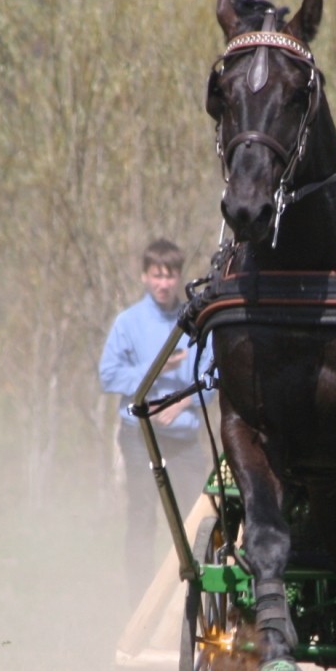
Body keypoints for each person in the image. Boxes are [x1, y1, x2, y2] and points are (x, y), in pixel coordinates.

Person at [99, 239, 213, 600]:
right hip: (139, 436)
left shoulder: (194, 323)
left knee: (199, 520)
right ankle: (139, 602)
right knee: (143, 518)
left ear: (180, 277)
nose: (164, 283)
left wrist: (180, 406)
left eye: (170, 276)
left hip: (183, 439)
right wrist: (157, 369)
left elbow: (212, 377)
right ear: (145, 276)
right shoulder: (128, 322)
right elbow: (108, 375)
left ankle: (189, 601)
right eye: (157, 275)